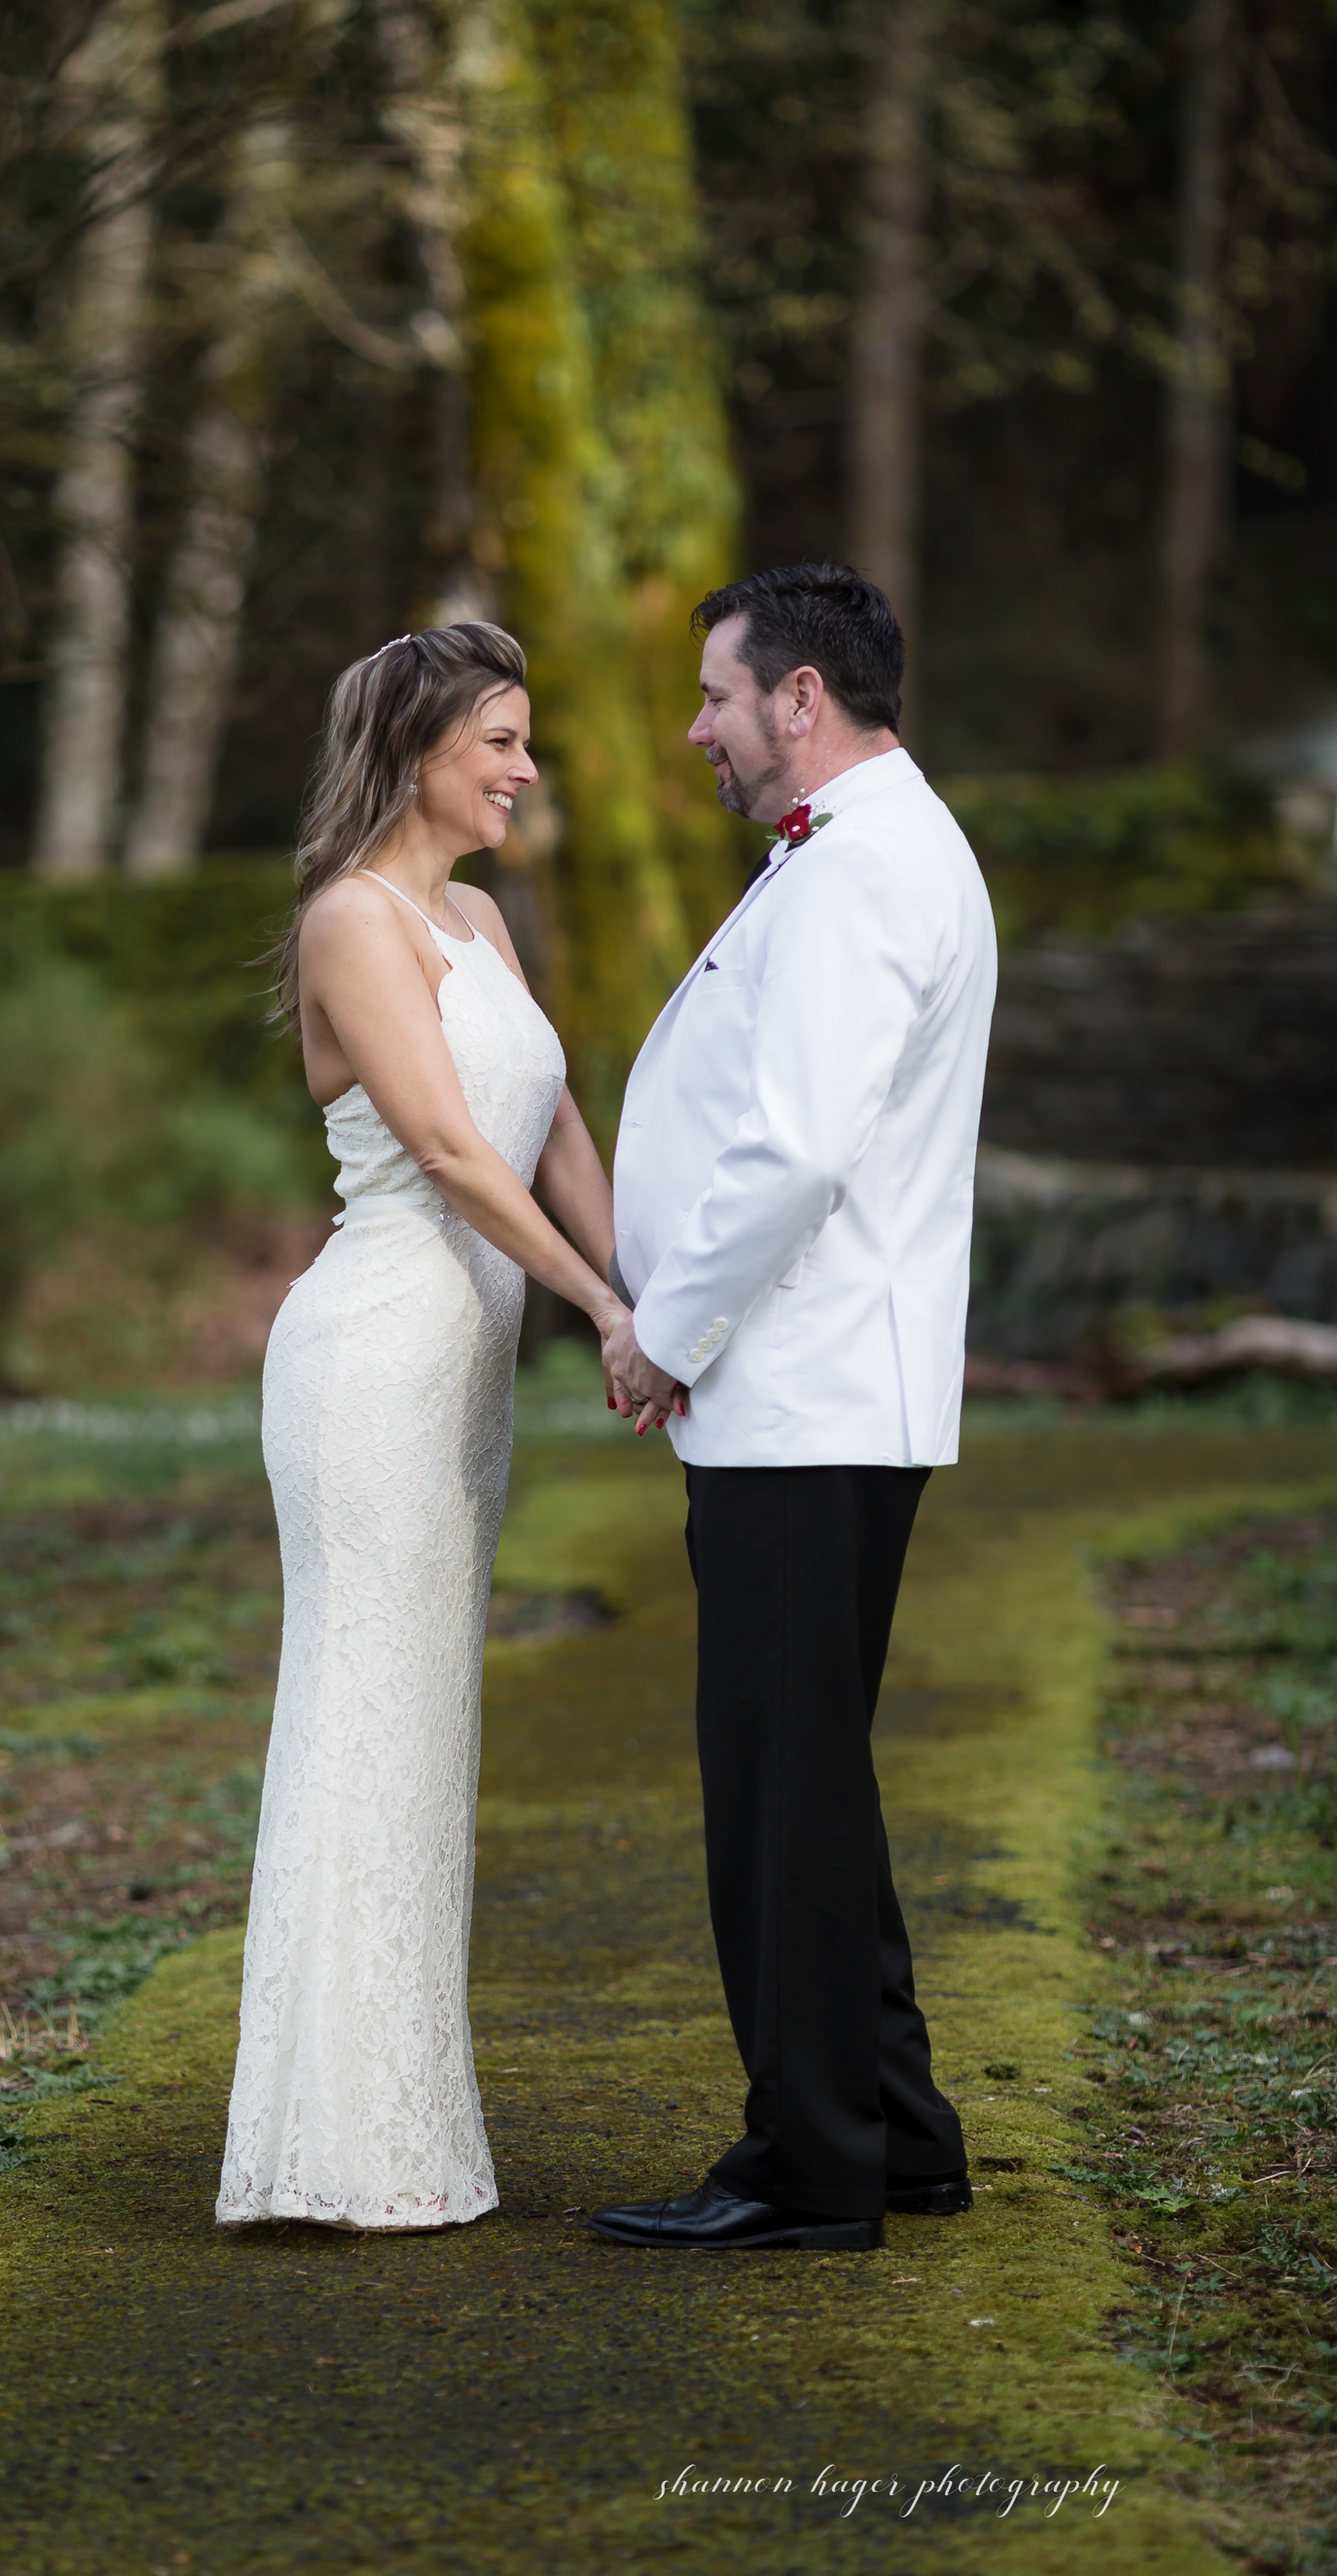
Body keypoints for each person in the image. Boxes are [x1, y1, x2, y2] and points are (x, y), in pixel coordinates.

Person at [593, 564, 998, 2253]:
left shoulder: (856, 873)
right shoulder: (877, 848)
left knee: (775, 1786)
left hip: (795, 1390)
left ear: (800, 698)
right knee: (809, 1775)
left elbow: (795, 1147)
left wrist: (661, 1328)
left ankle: (809, 2161)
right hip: (824, 1391)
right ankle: (889, 2125)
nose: (695, 725)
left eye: (713, 694)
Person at [216, 622, 627, 2232]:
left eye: (528, 741)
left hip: (464, 1376)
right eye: (502, 741)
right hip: (374, 1359)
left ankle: (400, 2125)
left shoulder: (478, 916)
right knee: (359, 1710)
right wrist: (602, 1310)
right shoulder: (354, 921)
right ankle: (321, 2146)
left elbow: (556, 1124)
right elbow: (458, 1156)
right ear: (417, 752)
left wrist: (654, 1285)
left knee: (429, 1722)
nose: (527, 769)